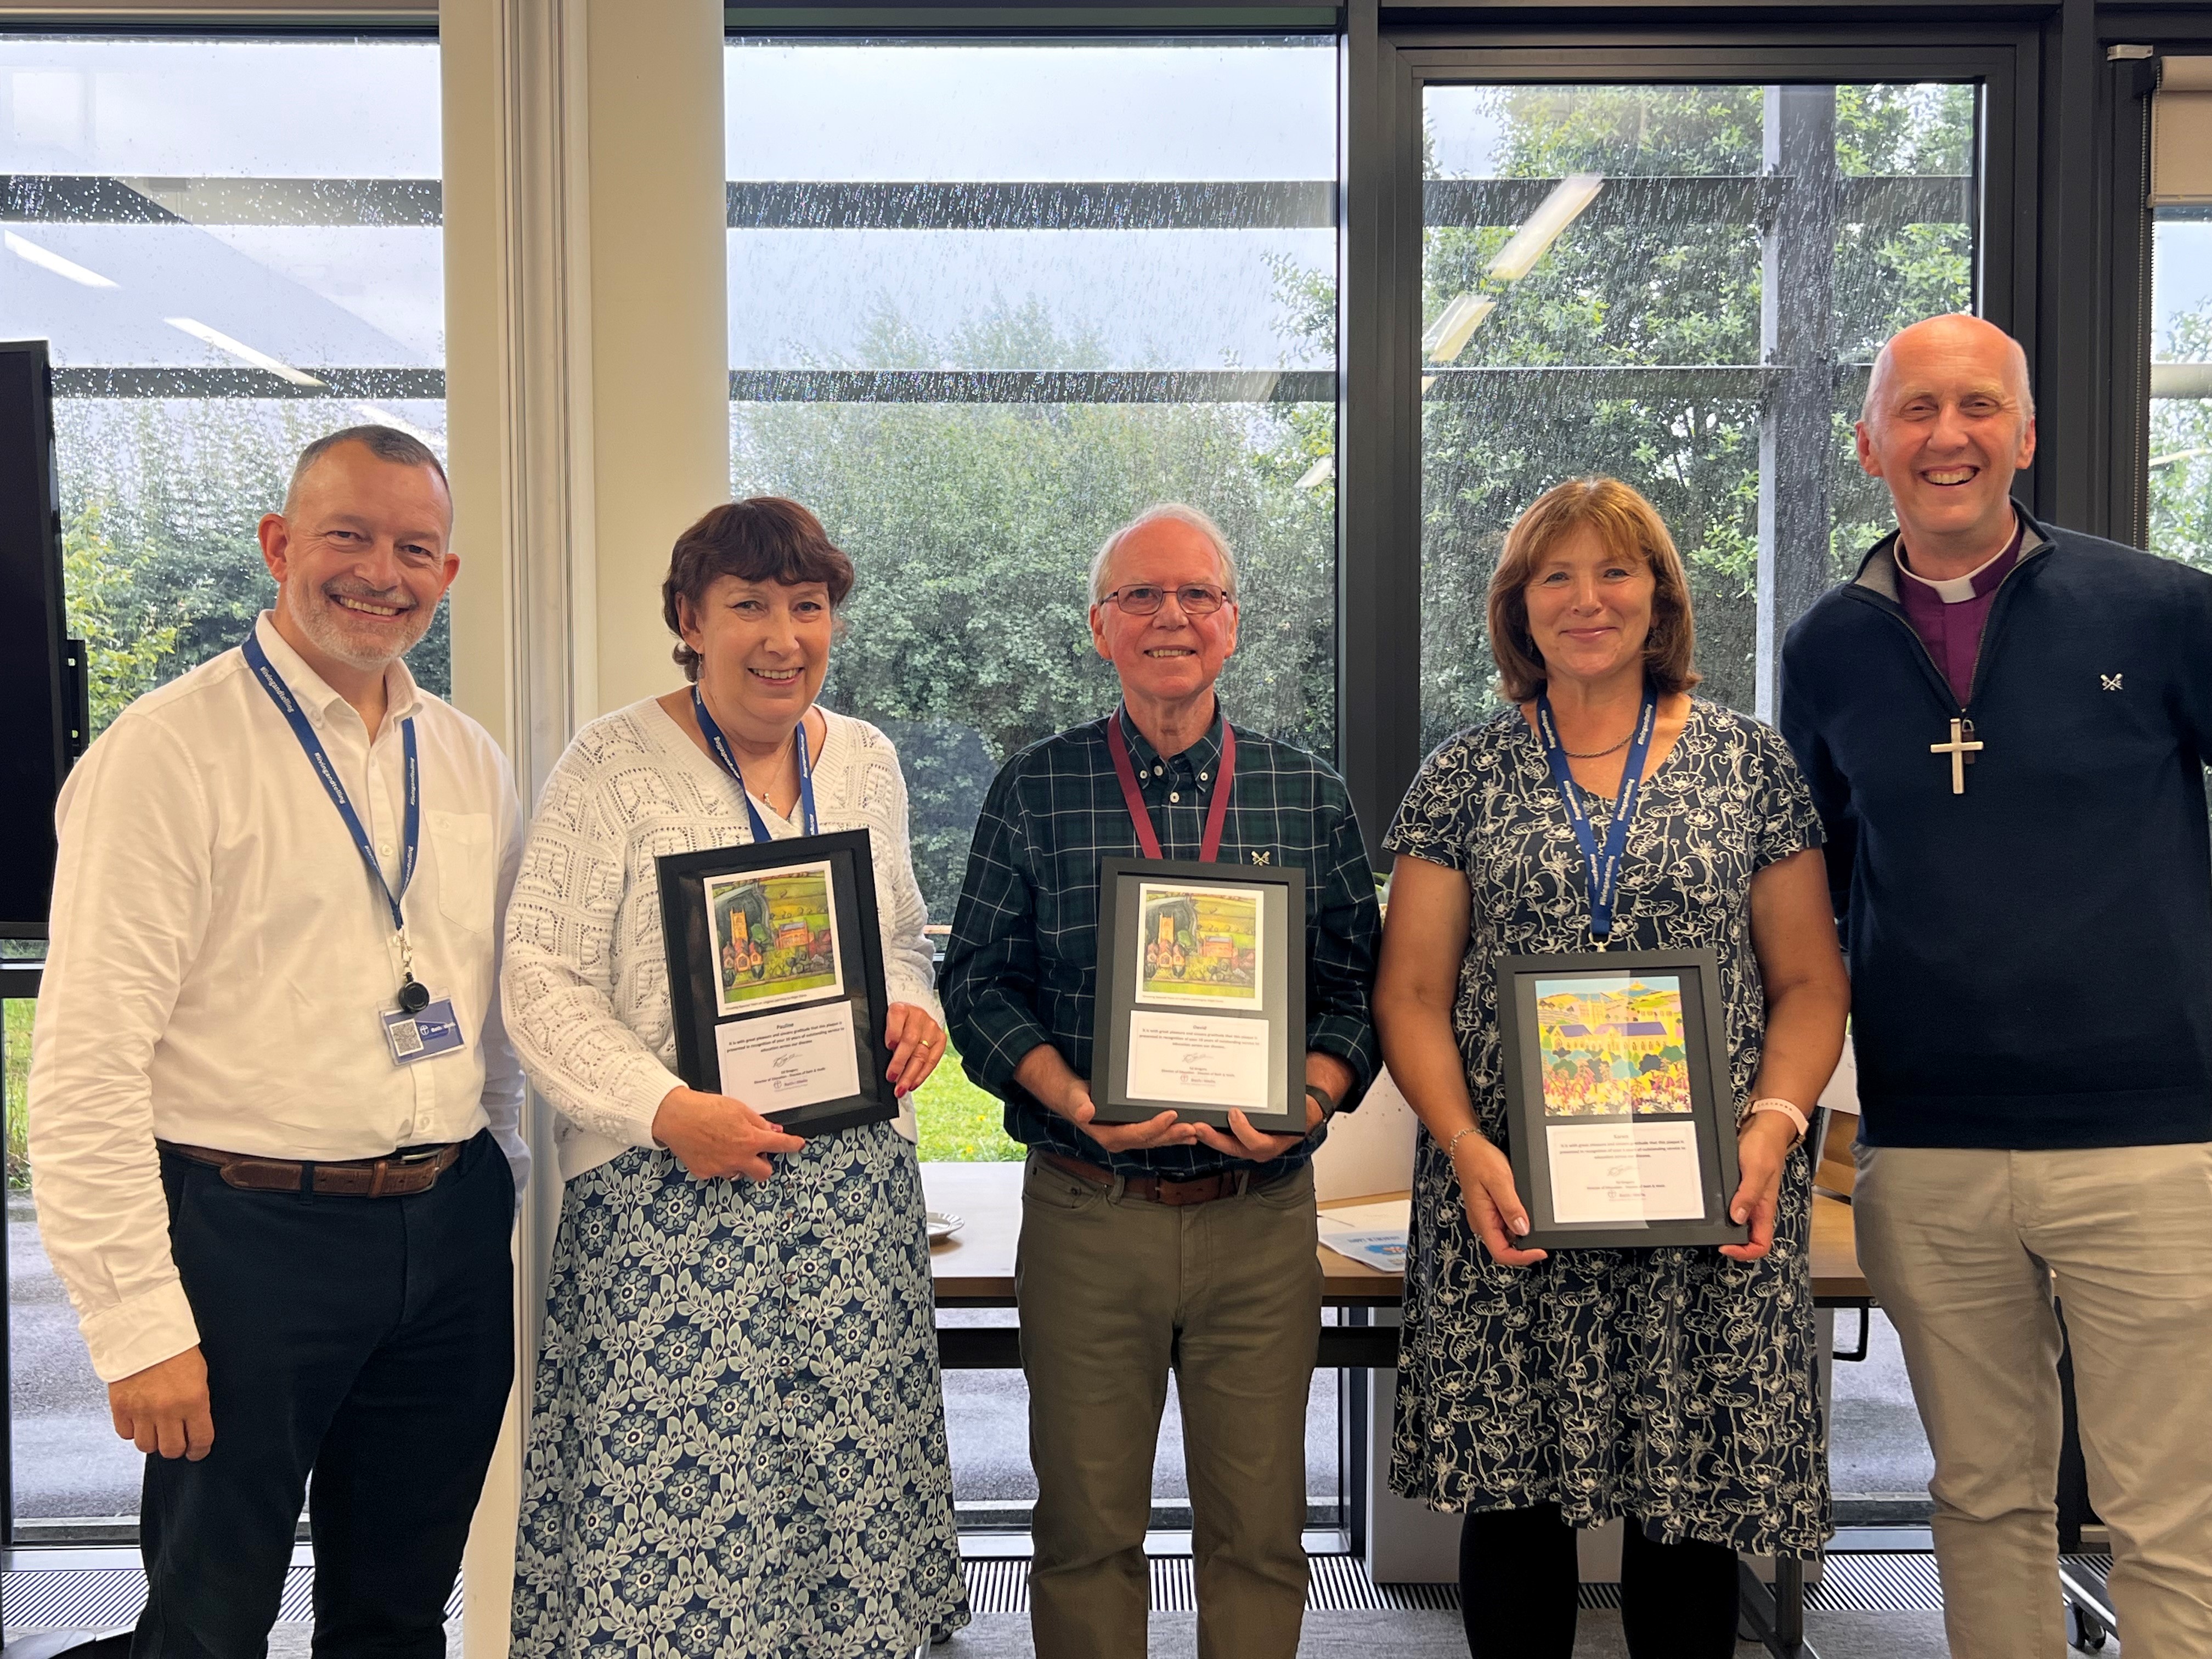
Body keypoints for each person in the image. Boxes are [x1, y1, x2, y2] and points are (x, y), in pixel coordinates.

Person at [26, 426, 528, 1657]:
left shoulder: (467, 762)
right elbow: (85, 1062)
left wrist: (490, 1184)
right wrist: (138, 1326)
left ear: (446, 575)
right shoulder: (166, 754)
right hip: (248, 1242)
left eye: (415, 547)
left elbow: (499, 1013)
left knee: (401, 1607)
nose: (381, 572)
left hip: (448, 1231)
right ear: (278, 546)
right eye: (348, 536)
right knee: (207, 1615)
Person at [1780, 313, 2212, 1659]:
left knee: (2163, 1511)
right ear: (1869, 444)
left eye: (1979, 407)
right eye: (1916, 409)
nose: (1947, 435)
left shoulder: (2161, 609)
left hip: (2151, 1145)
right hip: (1932, 1151)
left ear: (2025, 435)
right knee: (1979, 1498)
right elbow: (1816, 905)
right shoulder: (1825, 651)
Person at [1373, 477, 1849, 1659]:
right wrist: (1467, 1146)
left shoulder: (1751, 765)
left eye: (1615, 572)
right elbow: (1413, 993)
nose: (1588, 599)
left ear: (1660, 596)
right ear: (1518, 607)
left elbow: (1808, 985)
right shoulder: (1462, 775)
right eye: (1557, 576)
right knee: (1516, 1506)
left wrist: (1777, 1125)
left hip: (1712, 1199)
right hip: (1510, 1197)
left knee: (1688, 1518)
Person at [501, 496, 969, 1655]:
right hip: (669, 1197)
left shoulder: (864, 759)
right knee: (674, 1533)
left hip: (847, 1201)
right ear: (688, 619)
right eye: (748, 606)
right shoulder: (611, 764)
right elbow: (540, 977)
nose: (782, 636)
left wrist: (914, 1009)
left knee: (844, 1519)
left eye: (807, 607)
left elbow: (902, 936)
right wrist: (666, 1112)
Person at [941, 503, 1380, 1659]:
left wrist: (1313, 1101)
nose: (1170, 617)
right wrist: (1073, 1099)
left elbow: (1355, 985)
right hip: (1092, 1210)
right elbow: (981, 982)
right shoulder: (1035, 791)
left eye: (1197, 595)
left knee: (1262, 1533)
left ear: (1234, 624)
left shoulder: (1306, 793)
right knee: (1087, 1531)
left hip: (1260, 1216)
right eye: (1141, 595)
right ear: (1100, 626)